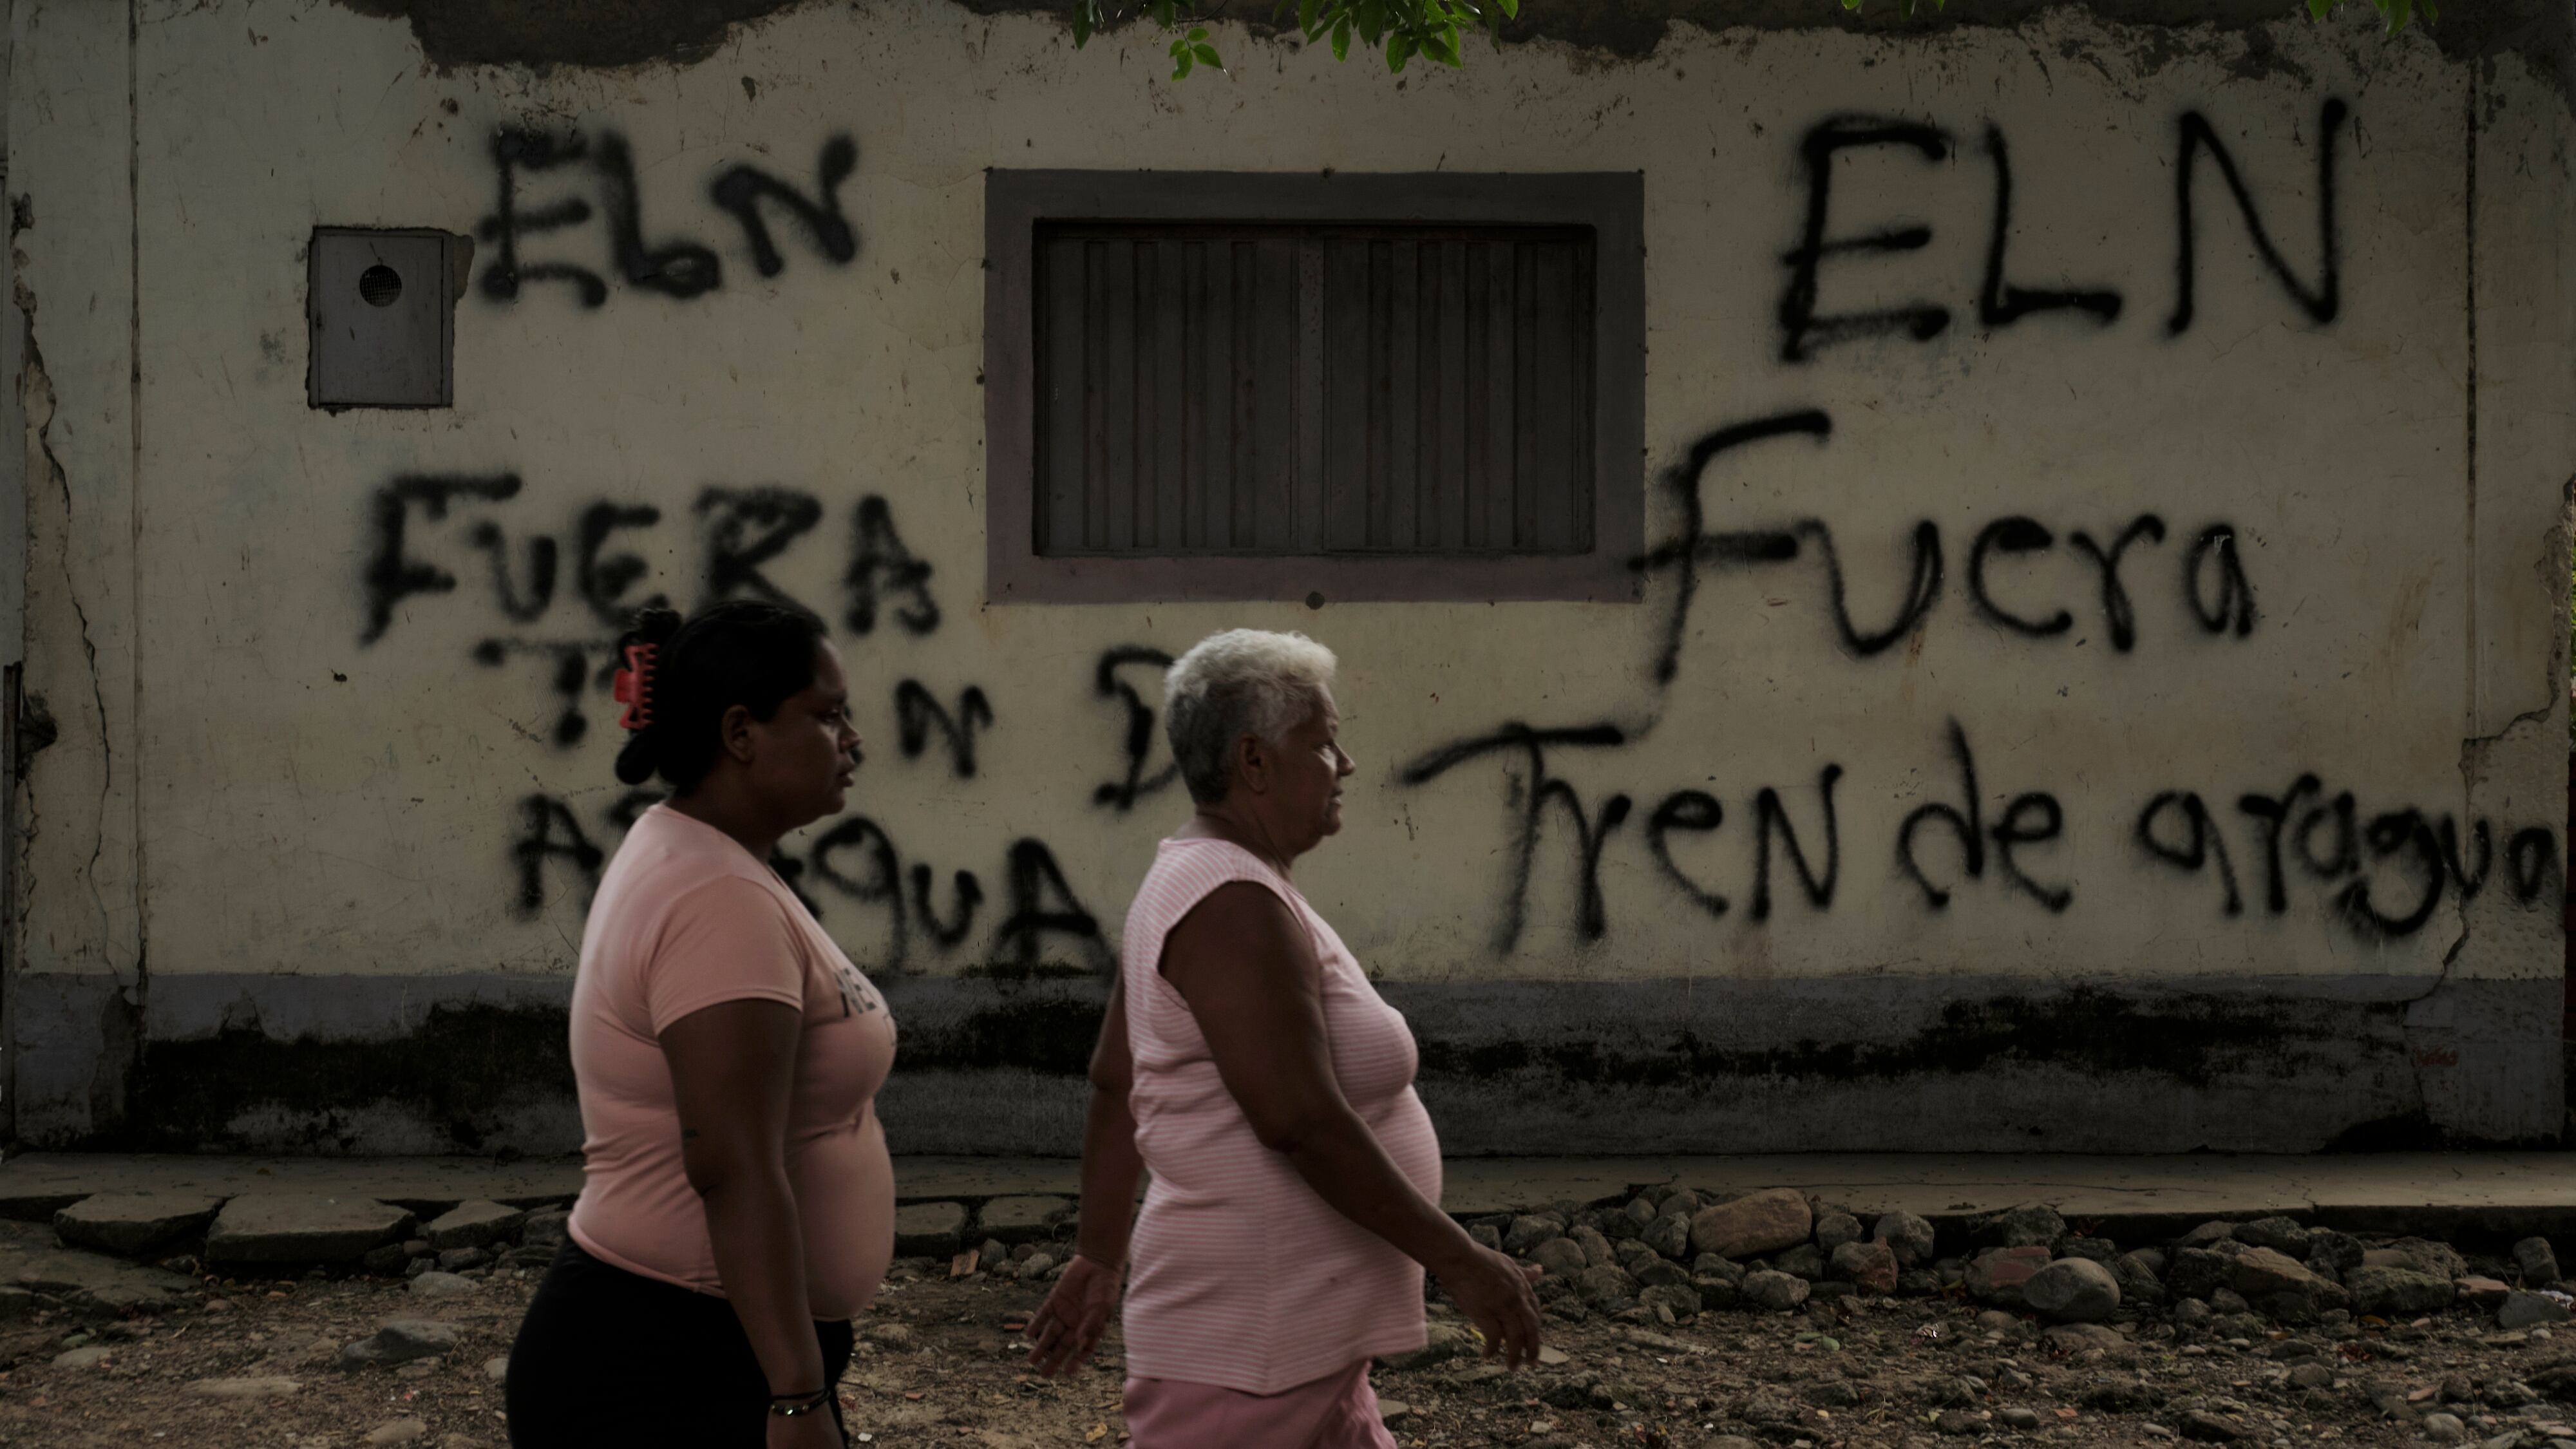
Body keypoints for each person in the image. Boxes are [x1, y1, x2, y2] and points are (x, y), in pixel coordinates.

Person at [1025, 628, 1542, 1448]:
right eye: (1323, 742)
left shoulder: (1208, 879)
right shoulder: (1228, 902)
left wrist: (1097, 1256)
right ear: (1254, 762)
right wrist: (1459, 1261)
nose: (1345, 764)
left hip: (1294, 1352)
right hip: (1249, 1356)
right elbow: (1298, 1121)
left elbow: (1119, 1081)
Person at [506, 599, 891, 1449]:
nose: (852, 739)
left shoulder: (707, 857)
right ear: (741, 732)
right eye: (826, 716)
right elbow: (731, 1163)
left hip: (698, 1346)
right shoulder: (717, 897)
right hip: (667, 1363)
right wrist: (796, 1393)